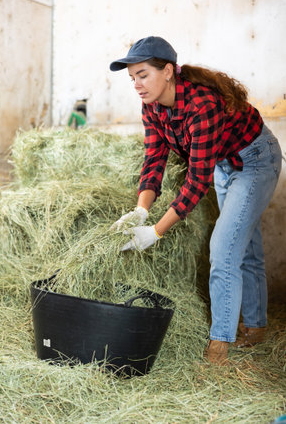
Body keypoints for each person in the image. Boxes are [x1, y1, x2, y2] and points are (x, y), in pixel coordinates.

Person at [109, 36, 282, 365]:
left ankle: (220, 344)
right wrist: (141, 211)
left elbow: (197, 180)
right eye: (132, 78)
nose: (137, 85)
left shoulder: (201, 104)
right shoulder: (152, 106)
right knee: (245, 246)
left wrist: (156, 232)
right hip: (224, 163)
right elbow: (154, 161)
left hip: (256, 160)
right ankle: (256, 327)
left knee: (223, 248)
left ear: (169, 71)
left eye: (143, 74)